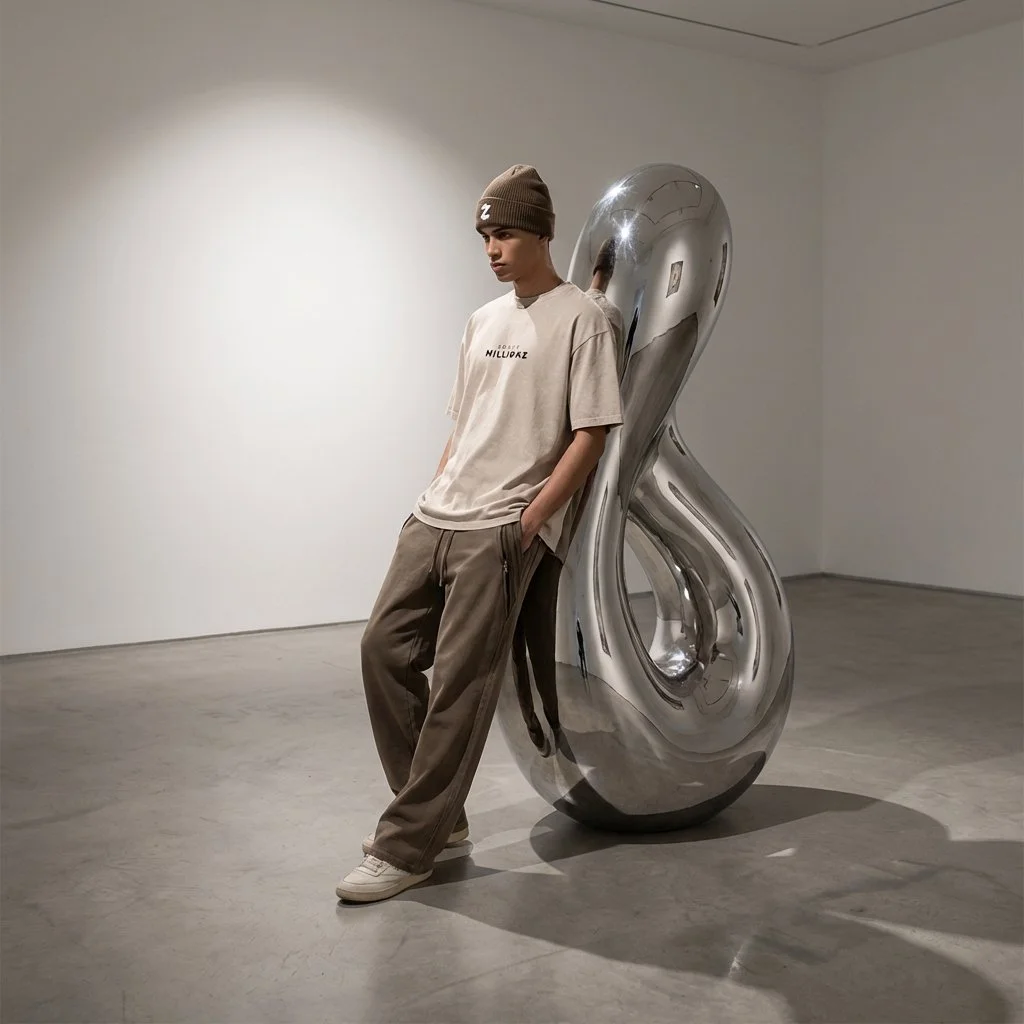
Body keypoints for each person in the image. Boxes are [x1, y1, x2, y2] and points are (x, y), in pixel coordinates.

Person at [336, 165, 623, 904]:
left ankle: (408, 848)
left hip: (503, 526)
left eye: (505, 233)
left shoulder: (581, 318)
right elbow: (463, 425)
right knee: (382, 652)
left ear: (542, 233)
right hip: (438, 514)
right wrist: (430, 497)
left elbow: (590, 434)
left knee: (462, 687)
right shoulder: (481, 320)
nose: (493, 248)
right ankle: (438, 819)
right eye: (485, 236)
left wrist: (532, 523)